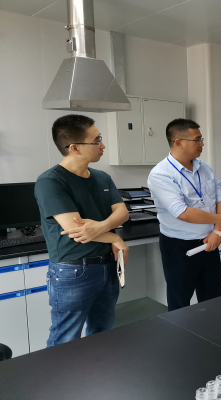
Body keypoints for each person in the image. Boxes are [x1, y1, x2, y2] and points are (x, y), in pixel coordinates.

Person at [34, 115, 130, 347]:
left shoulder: (102, 177)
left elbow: (123, 213)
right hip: (73, 271)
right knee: (65, 338)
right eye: (96, 141)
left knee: (103, 332)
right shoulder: (50, 181)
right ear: (74, 147)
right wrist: (113, 236)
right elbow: (76, 230)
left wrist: (102, 227)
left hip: (107, 265)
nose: (103, 145)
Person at [147, 119, 221, 311]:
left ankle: (210, 330)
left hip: (210, 241)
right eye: (197, 140)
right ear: (178, 142)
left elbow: (220, 196)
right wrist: (220, 220)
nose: (202, 144)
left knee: (213, 298)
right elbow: (182, 212)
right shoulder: (161, 174)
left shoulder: (204, 166)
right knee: (180, 301)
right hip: (179, 245)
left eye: (201, 139)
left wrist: (218, 231)